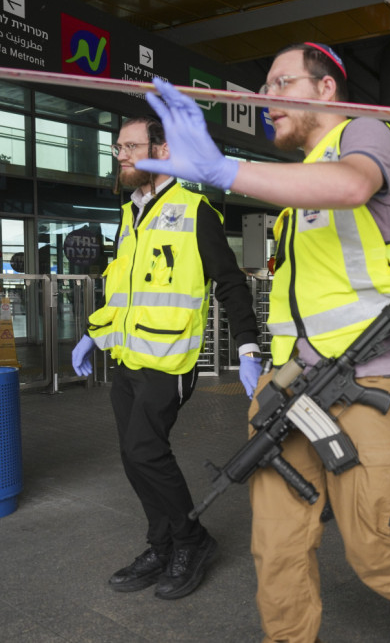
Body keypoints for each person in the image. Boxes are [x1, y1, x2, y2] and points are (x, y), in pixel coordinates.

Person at [134, 43, 390, 642]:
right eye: (265, 89)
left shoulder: (367, 135)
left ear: (327, 88)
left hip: (369, 384)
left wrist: (227, 171)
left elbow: (354, 185)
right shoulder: (296, 191)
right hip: (290, 388)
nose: (266, 100)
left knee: (372, 542)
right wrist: (259, 352)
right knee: (275, 548)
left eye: (281, 84)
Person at [69, 116, 262, 600]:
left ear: (162, 150)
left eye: (132, 146)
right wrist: (94, 334)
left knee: (145, 451)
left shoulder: (195, 212)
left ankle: (192, 541)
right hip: (128, 360)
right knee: (134, 457)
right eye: (118, 149)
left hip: (170, 360)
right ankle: (160, 544)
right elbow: (125, 292)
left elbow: (231, 282)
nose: (122, 156)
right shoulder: (128, 215)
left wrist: (247, 345)